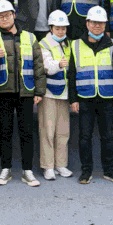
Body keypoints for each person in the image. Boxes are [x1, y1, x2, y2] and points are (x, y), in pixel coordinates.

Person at [0, 1, 43, 187]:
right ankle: (6, 169)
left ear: (14, 15)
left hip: (26, 92)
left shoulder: (30, 37)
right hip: (3, 92)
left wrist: (39, 91)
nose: (4, 19)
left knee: (27, 132)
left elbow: (38, 65)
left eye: (7, 15)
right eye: (0, 16)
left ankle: (27, 171)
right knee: (5, 132)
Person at [68, 6, 113, 184]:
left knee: (107, 136)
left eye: (101, 23)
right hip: (85, 97)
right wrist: (73, 99)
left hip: (106, 97)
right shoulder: (76, 44)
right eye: (94, 22)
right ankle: (86, 171)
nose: (97, 26)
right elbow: (71, 74)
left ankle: (109, 170)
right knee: (85, 137)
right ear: (87, 23)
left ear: (105, 24)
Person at [37, 10, 73, 181]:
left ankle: (61, 165)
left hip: (64, 93)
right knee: (47, 131)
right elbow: (46, 67)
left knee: (63, 132)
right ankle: (48, 166)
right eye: (57, 28)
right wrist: (59, 64)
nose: (60, 31)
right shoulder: (43, 43)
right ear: (51, 28)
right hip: (49, 94)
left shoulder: (67, 43)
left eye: (63, 28)